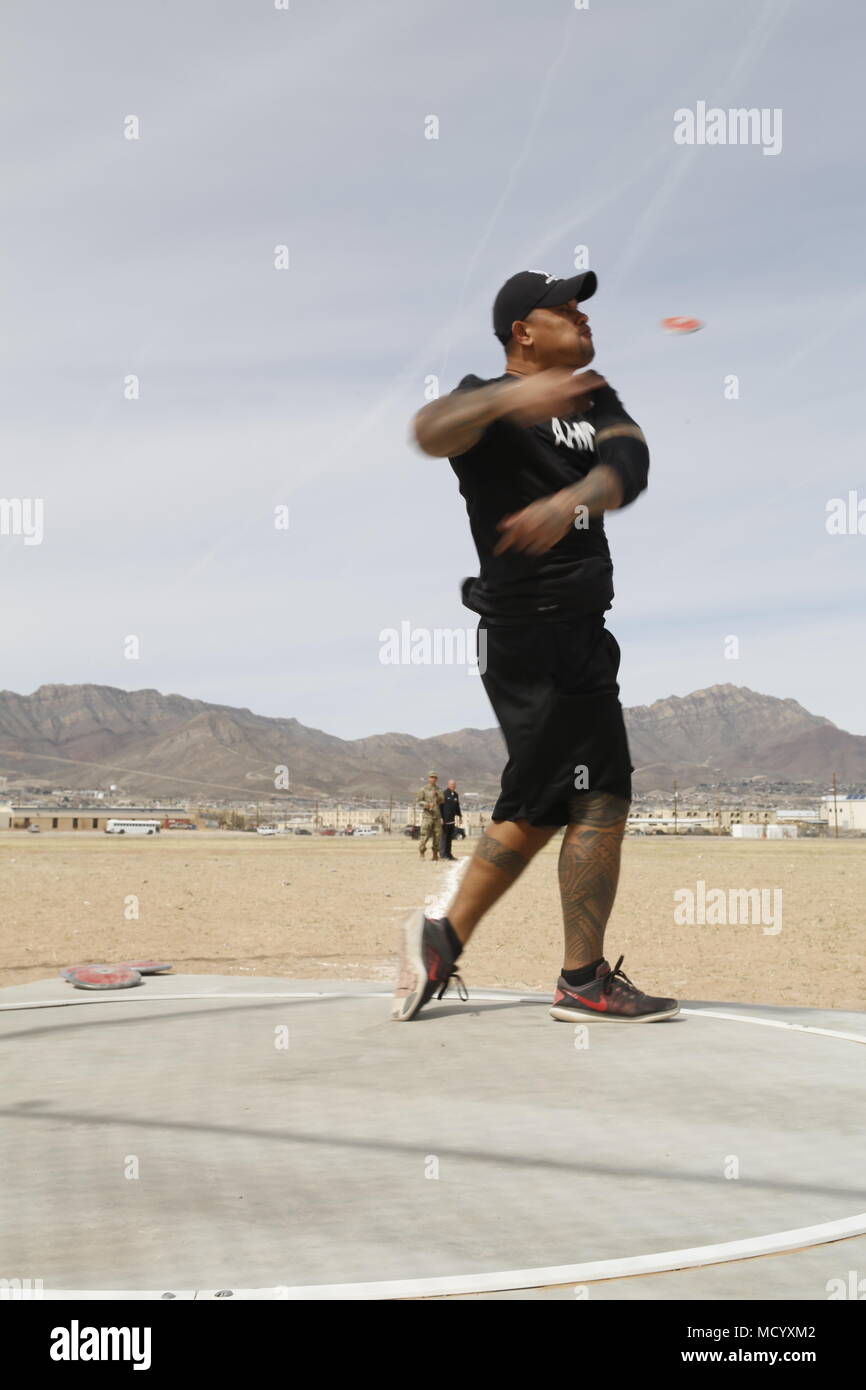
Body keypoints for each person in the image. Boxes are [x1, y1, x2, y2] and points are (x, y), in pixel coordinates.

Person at [392, 268, 679, 1025]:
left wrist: (575, 498)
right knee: (601, 793)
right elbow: (428, 432)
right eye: (566, 309)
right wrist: (509, 398)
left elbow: (630, 466)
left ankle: (442, 938)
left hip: (582, 627)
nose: (584, 318)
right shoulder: (481, 399)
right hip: (530, 625)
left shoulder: (596, 395)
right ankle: (580, 981)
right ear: (523, 330)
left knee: (547, 802)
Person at [416, 771, 444, 860]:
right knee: (424, 835)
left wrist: (438, 797)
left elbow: (442, 801)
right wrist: (427, 805)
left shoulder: (439, 790)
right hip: (427, 816)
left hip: (436, 816)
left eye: (435, 777)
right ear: (429, 778)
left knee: (437, 836)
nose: (433, 779)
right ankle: (422, 853)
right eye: (431, 777)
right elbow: (419, 801)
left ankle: (435, 854)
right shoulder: (423, 789)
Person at [439, 779, 462, 860]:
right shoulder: (444, 794)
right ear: (448, 785)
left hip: (452, 820)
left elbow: (457, 807)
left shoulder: (456, 795)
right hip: (445, 820)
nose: (453, 786)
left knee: (449, 838)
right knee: (444, 838)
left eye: (454, 785)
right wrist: (441, 817)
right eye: (451, 784)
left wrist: (460, 816)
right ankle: (442, 854)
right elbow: (440, 807)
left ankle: (449, 854)